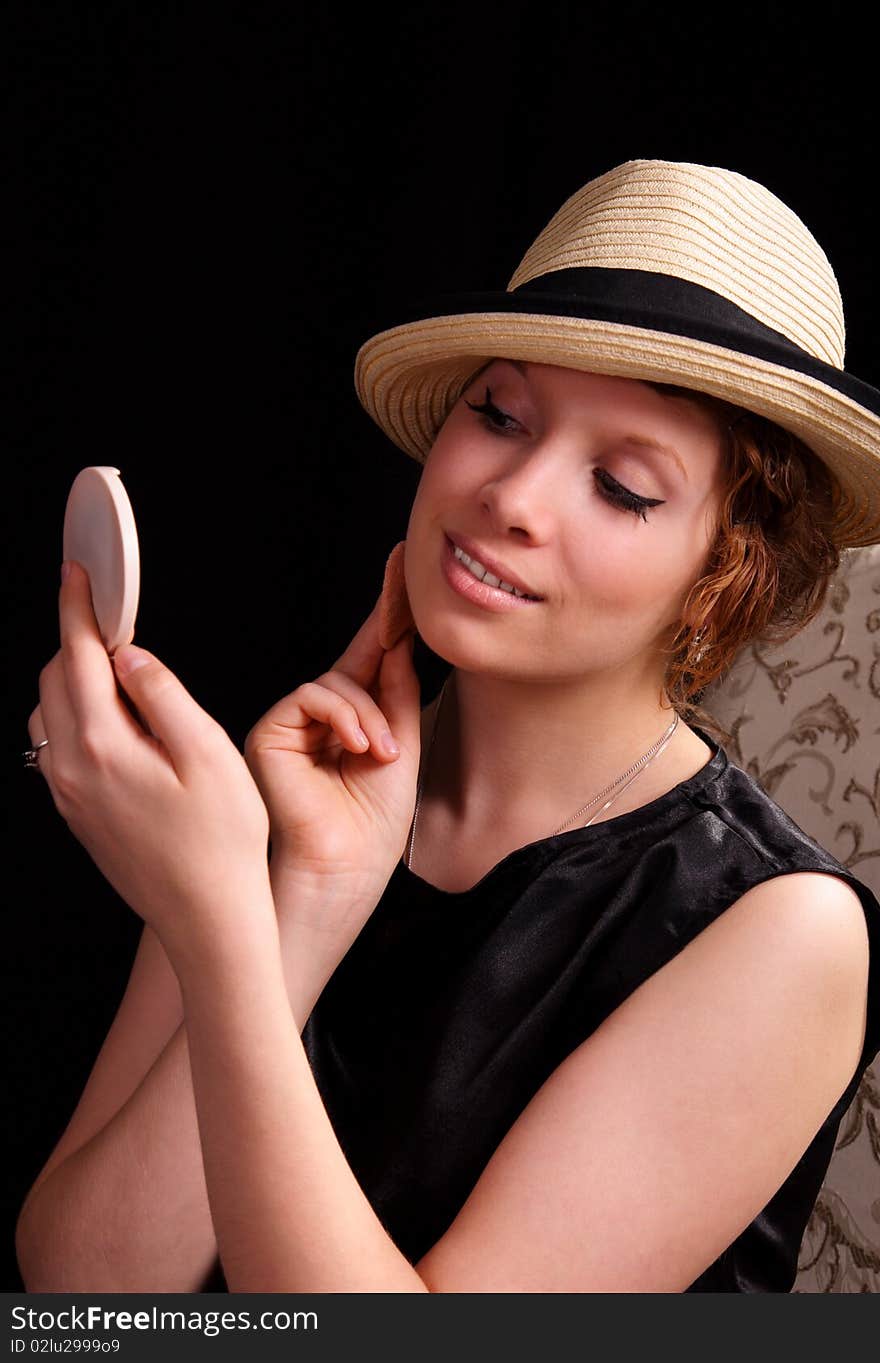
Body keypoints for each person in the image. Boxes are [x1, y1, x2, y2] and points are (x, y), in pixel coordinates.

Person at [16, 158, 880, 1293]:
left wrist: (217, 918)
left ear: (725, 575)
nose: (511, 497)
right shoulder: (295, 799)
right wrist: (301, 902)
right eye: (500, 413)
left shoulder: (783, 934)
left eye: (622, 485)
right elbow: (85, 1298)